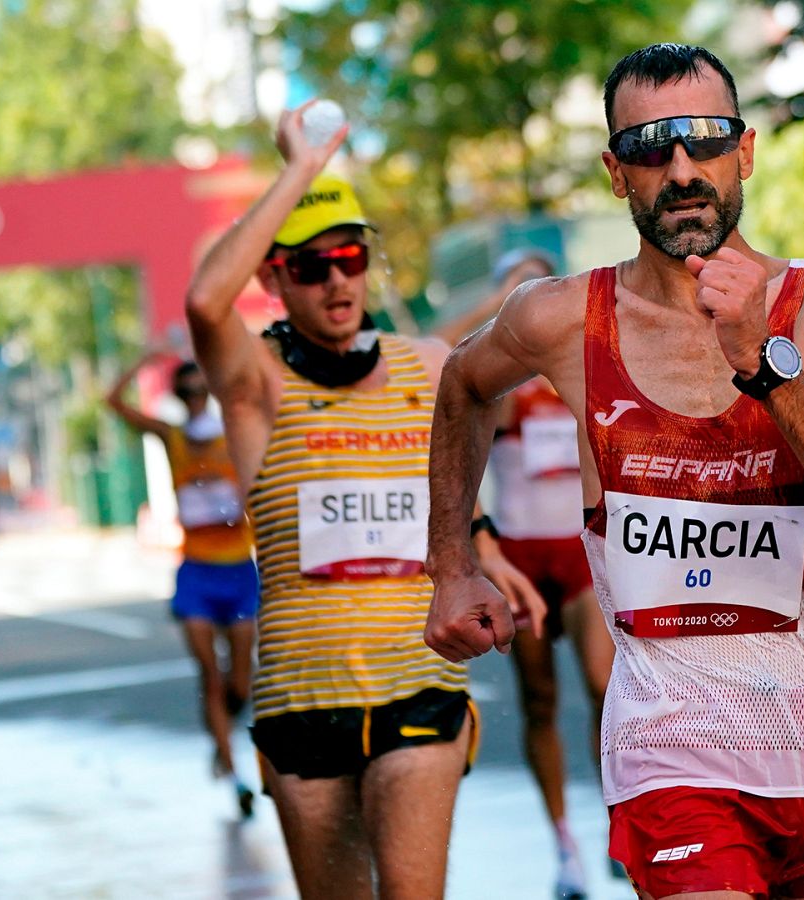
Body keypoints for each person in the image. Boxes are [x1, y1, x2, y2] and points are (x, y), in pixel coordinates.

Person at [424, 43, 804, 900]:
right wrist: (452, 565)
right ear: (618, 173)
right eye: (651, 148)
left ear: (745, 152)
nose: (682, 171)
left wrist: (765, 366)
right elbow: (462, 382)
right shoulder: (563, 318)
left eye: (706, 140)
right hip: (671, 743)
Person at [183, 104, 543, 898]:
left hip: (419, 676)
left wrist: (480, 549)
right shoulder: (256, 386)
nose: (337, 278)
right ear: (274, 278)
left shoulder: (426, 363)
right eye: (311, 267)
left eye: (348, 256)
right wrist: (301, 170)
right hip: (299, 698)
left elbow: (450, 478)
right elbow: (207, 301)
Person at [437, 250, 616, 900]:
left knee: (606, 686)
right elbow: (445, 362)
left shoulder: (579, 366)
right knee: (541, 702)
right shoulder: (503, 382)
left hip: (579, 555)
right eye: (521, 288)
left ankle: (616, 816)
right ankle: (564, 845)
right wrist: (501, 305)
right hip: (518, 561)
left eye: (543, 283)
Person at [107, 351, 259, 818]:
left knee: (238, 681)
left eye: (201, 389)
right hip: (195, 571)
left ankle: (220, 738)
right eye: (186, 392)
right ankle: (233, 773)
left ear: (209, 392)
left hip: (238, 569)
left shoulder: (233, 432)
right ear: (178, 396)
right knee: (209, 676)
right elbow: (114, 401)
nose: (195, 398)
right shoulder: (171, 436)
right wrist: (147, 356)